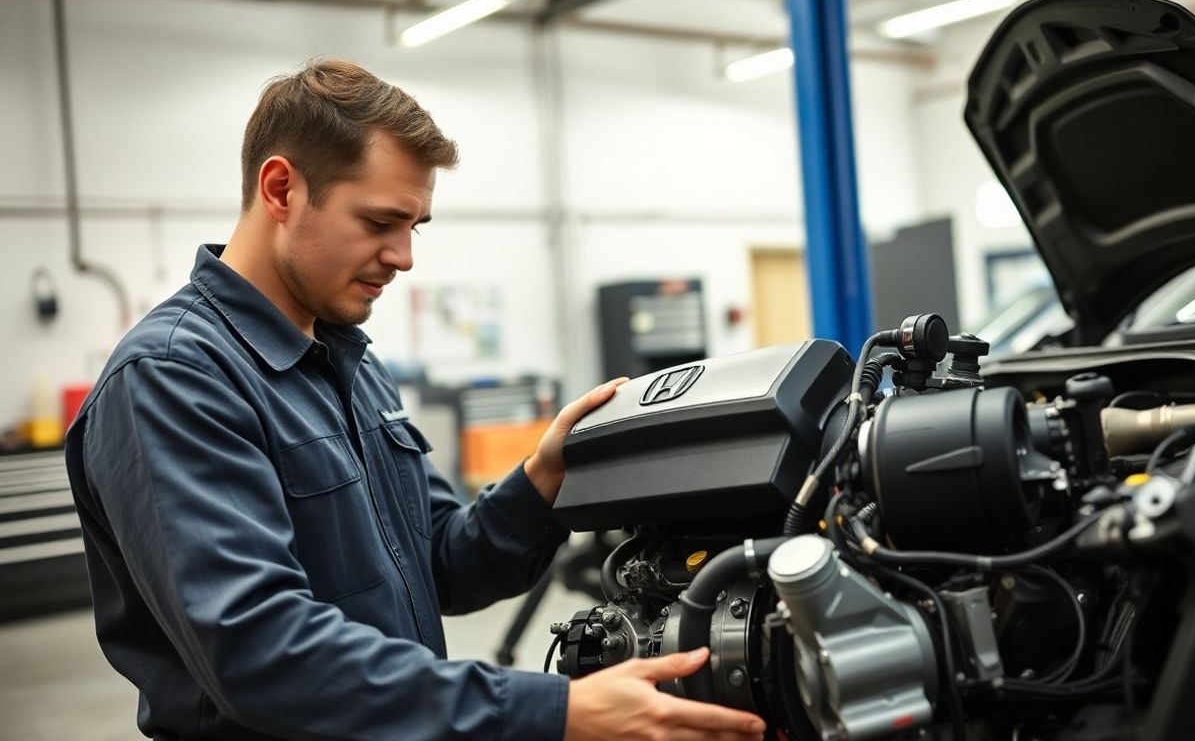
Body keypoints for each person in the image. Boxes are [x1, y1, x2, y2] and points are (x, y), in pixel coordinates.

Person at [65, 59, 766, 741]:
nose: (404, 257)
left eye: (415, 227)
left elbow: (437, 567)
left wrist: (544, 480)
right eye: (379, 223)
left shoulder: (351, 361)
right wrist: (549, 712)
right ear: (280, 189)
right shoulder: (175, 376)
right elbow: (259, 652)